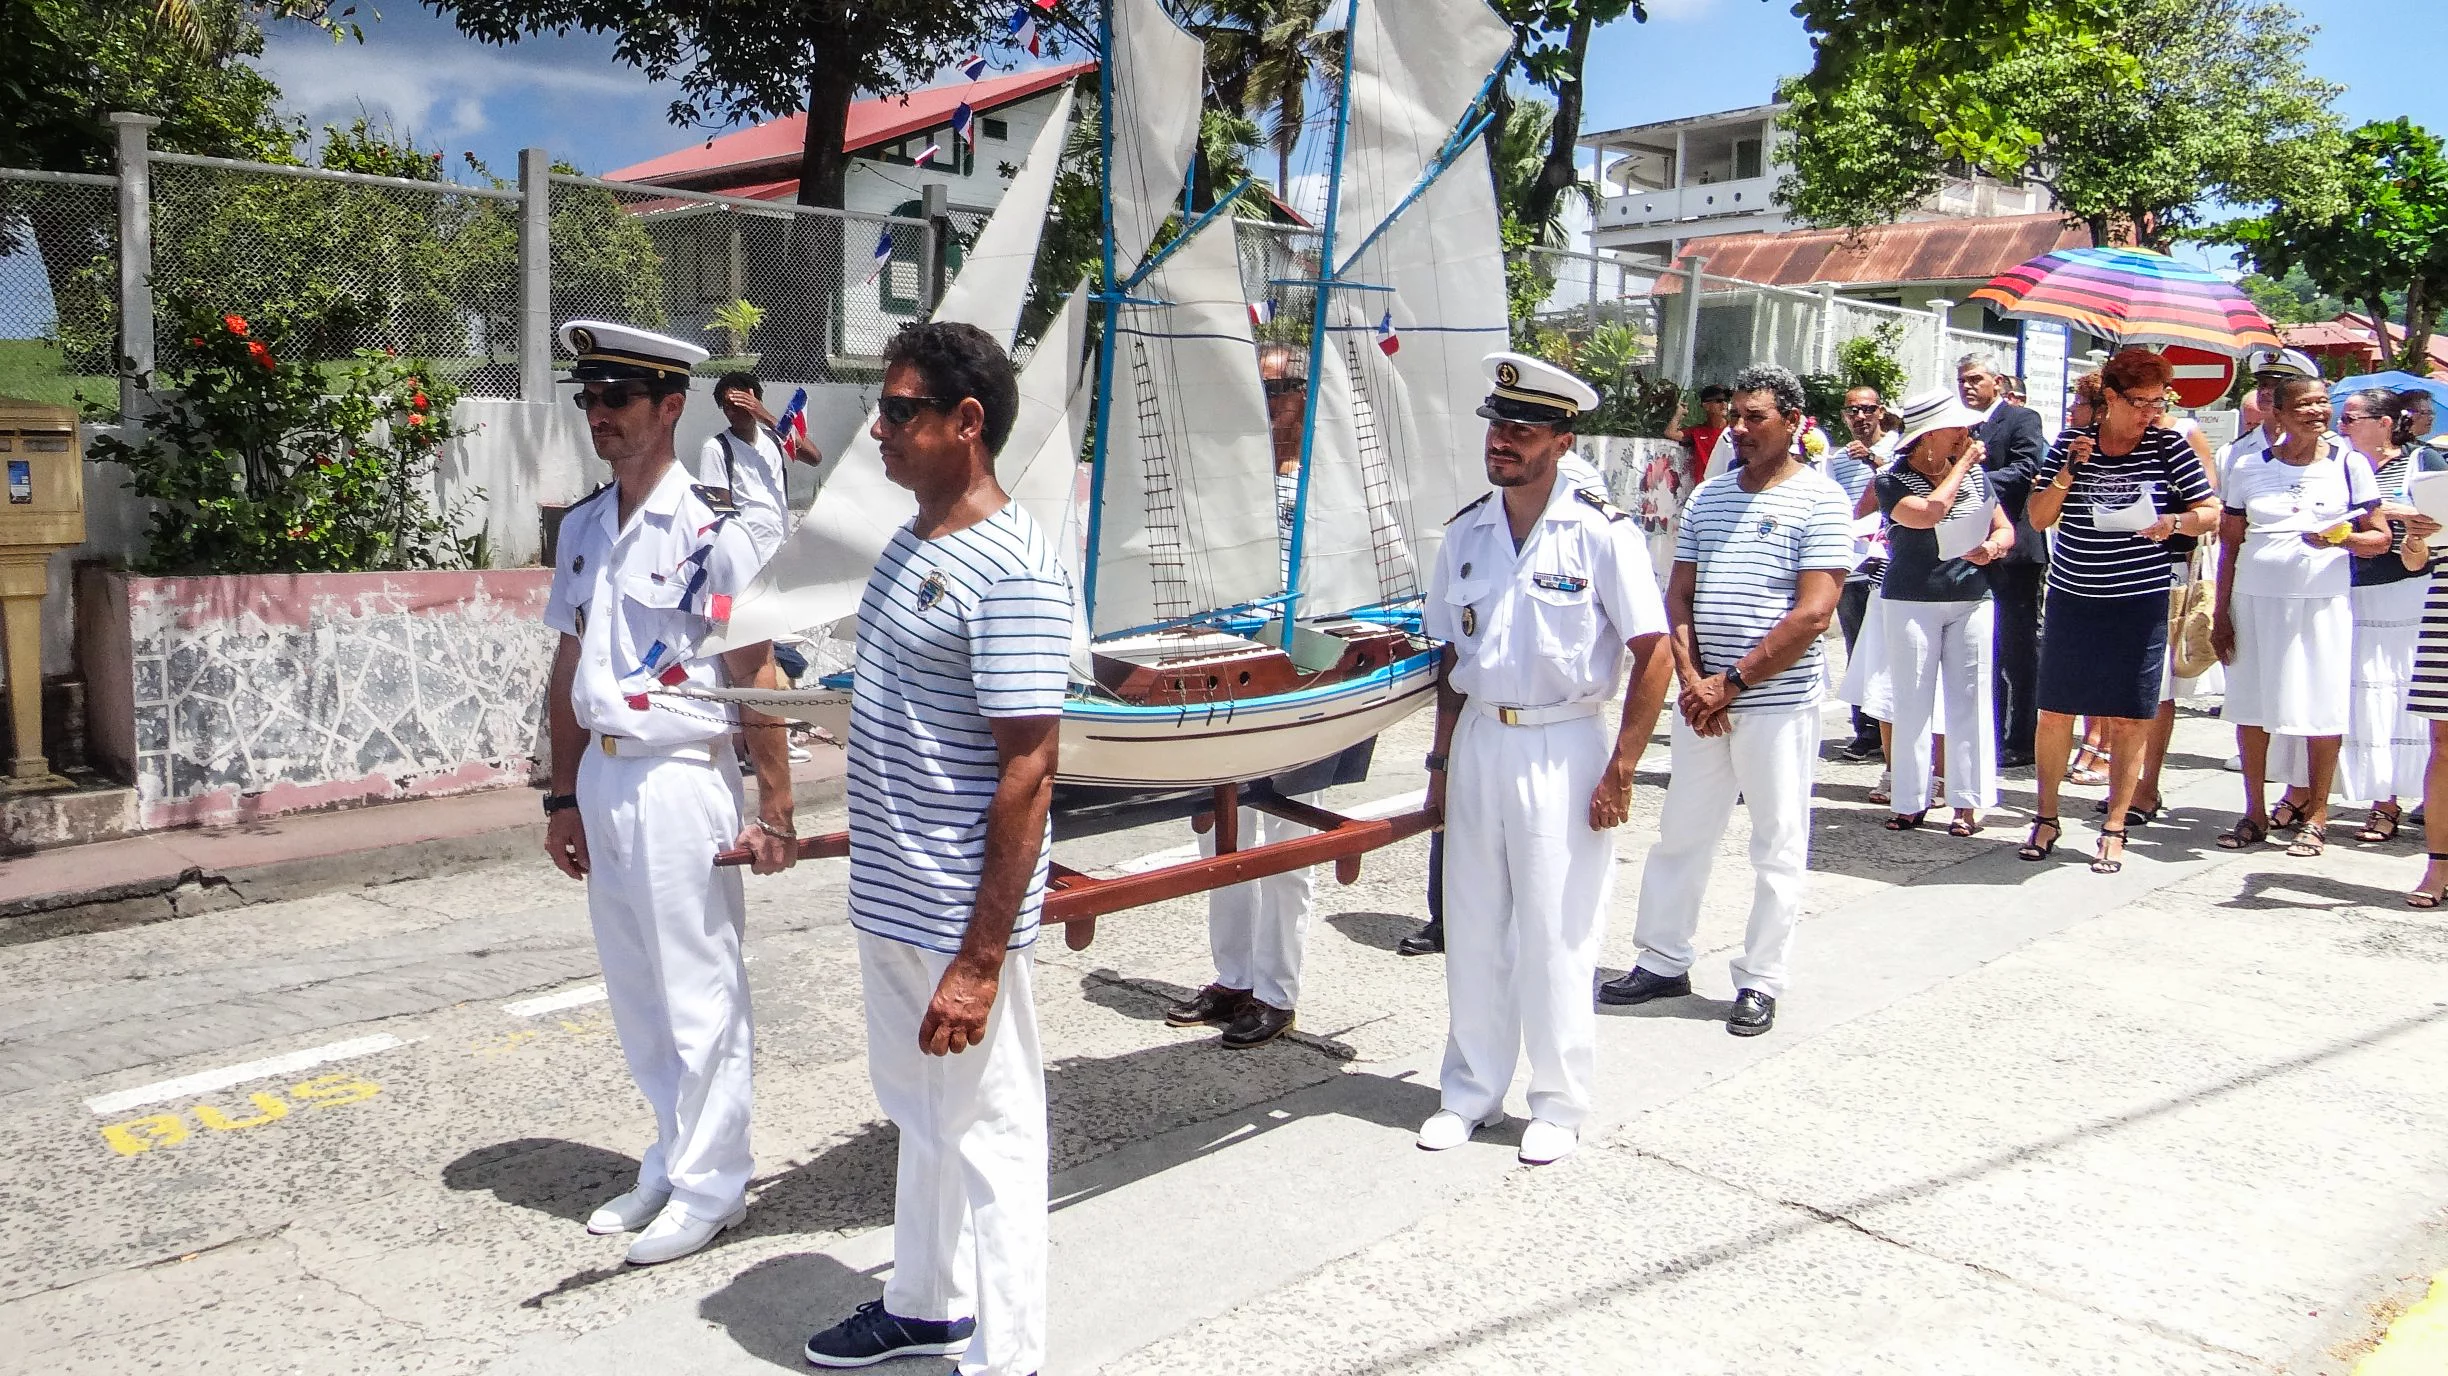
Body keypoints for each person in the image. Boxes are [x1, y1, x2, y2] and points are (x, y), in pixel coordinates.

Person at [803, 322, 1068, 1375]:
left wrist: (981, 957)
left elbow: (1029, 769)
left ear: (969, 423)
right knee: (922, 1116)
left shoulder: (1013, 569)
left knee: (995, 1135)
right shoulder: (915, 542)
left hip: (961, 913)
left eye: (902, 410)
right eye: (884, 407)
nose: (881, 428)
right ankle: (921, 1301)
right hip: (895, 895)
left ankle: (1013, 1356)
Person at [538, 320, 797, 1266]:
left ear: (669, 408)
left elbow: (755, 670)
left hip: (683, 777)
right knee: (639, 990)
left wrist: (776, 810)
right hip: (606, 774)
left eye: (617, 400)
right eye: (589, 399)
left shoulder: (715, 537)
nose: (597, 415)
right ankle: (671, 1152)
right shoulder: (583, 528)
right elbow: (570, 660)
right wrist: (562, 797)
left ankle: (715, 1183)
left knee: (701, 990)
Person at [1415, 352, 1669, 1165]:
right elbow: (1449, 663)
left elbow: (1652, 650)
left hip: (1566, 742)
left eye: (1523, 429)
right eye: (1497, 425)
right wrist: (1443, 764)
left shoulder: (1599, 529)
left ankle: (1556, 1102)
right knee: (1477, 923)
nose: (1504, 441)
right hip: (1486, 738)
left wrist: (1622, 767)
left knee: (1559, 931)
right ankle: (1471, 1091)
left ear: (1562, 440)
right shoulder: (1464, 533)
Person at [1603, 364, 1852, 1038]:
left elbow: (1813, 615)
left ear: (1793, 424)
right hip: (1704, 703)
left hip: (1774, 704)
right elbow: (1677, 594)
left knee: (1775, 844)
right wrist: (1691, 679)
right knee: (1682, 832)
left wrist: (1731, 682)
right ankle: (1662, 958)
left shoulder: (1823, 501)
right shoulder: (1710, 498)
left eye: (1754, 418)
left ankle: (1761, 979)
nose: (1738, 429)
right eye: (1736, 415)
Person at [1167, 343, 1321, 1047]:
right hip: (1227, 671)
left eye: (1279, 388)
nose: (1267, 405)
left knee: (1288, 844)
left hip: (1300, 676)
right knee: (1220, 837)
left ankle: (1277, 990)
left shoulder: (1326, 482)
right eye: (1257, 392)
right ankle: (1233, 978)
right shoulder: (1227, 481)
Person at [2019, 348, 2219, 875]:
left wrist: (2174, 522)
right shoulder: (2071, 443)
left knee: (2131, 717)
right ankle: (2046, 817)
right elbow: (2037, 519)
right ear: (2109, 398)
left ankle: (2115, 824)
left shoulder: (2168, 443)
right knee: (2056, 711)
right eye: (2141, 402)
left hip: (2140, 598)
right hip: (2074, 594)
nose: (2150, 413)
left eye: (2159, 402)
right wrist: (2067, 472)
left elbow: (2209, 511)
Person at [2210, 375, 2383, 860]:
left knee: (2321, 707)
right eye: (2304, 405)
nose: (2316, 412)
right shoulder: (2247, 466)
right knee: (2251, 708)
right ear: (2278, 415)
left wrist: (2340, 539)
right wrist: (2221, 613)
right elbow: (2230, 544)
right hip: (2254, 600)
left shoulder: (2350, 465)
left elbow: (2380, 538)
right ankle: (2254, 812)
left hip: (2321, 604)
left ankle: (2317, 816)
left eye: (2322, 403)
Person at [1875, 389, 2015, 835]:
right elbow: (1931, 512)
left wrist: (1992, 548)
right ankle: (1910, 799)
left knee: (1970, 698)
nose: (1966, 434)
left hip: (1971, 596)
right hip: (1911, 599)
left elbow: (2005, 528)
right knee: (1913, 700)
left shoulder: (1976, 478)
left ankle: (1968, 802)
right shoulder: (1891, 481)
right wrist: (1963, 465)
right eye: (1956, 428)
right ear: (1930, 436)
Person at [1959, 351, 2049, 769]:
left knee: (2017, 648)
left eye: (1975, 379)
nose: (1967, 386)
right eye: (1962, 379)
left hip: (2016, 549)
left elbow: (2027, 467)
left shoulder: (2020, 419)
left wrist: (1965, 477)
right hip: (1971, 548)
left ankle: (2023, 737)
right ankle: (1988, 733)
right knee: (1981, 649)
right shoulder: (1960, 425)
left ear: (1998, 382)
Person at [699, 371, 824, 567]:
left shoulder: (774, 437)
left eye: (738, 404)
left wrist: (765, 416)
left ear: (754, 400)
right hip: (747, 554)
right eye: (726, 407)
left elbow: (814, 457)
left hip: (781, 546)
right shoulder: (717, 448)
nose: (731, 412)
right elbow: (719, 511)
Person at [1831, 385, 1896, 761]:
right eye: (1853, 410)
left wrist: (1874, 460)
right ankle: (1865, 729)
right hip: (1853, 560)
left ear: (1880, 412)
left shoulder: (1897, 447)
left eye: (1868, 409)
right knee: (1857, 647)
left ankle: (1883, 724)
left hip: (1886, 557)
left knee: (1883, 648)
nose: (1861, 417)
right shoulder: (1838, 459)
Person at [1683, 383, 1733, 481]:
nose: (1724, 404)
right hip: (1703, 489)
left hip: (1727, 487)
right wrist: (1679, 414)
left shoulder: (1734, 431)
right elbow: (1670, 433)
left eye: (1726, 400)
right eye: (1719, 401)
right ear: (1706, 406)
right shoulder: (1697, 431)